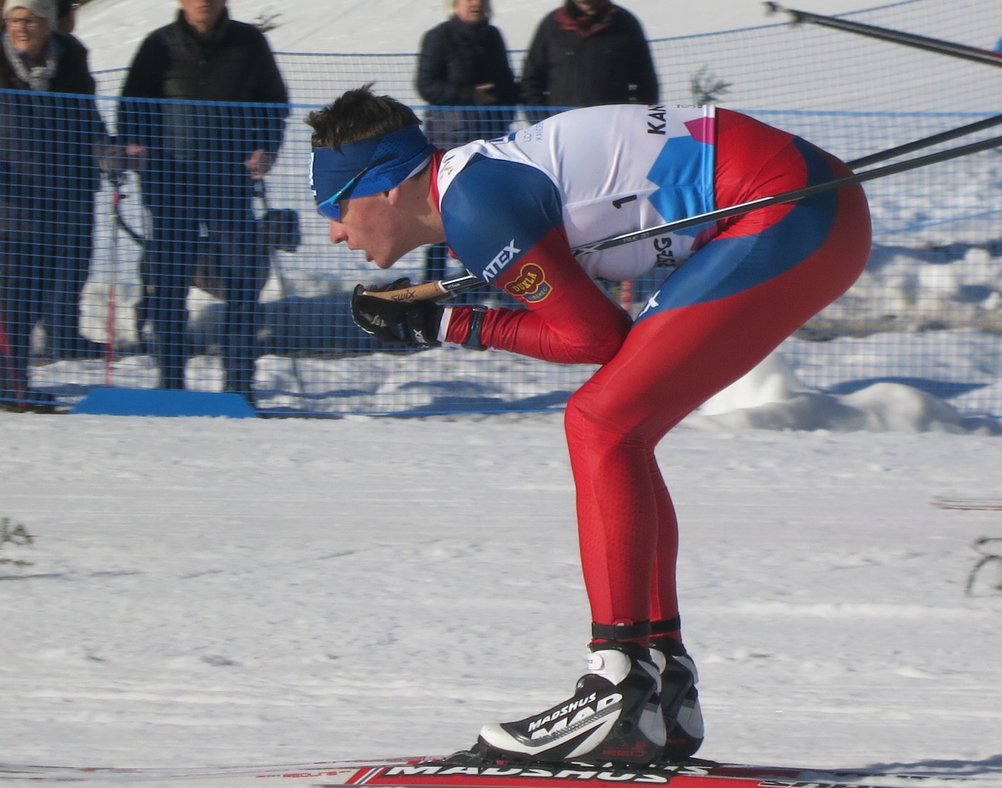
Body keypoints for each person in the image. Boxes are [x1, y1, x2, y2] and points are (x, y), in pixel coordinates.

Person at [307, 86, 872, 765]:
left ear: (387, 188)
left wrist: (452, 324)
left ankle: (619, 683)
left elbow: (592, 338)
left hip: (790, 210)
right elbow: (595, 330)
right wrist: (444, 322)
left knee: (600, 424)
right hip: (806, 206)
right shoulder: (475, 189)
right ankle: (658, 679)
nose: (334, 231)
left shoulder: (474, 203)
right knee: (617, 427)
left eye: (335, 208)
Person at [117, 0, 288, 400]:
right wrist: (134, 146)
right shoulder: (157, 45)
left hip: (231, 184)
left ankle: (238, 384)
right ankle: (171, 382)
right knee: (169, 284)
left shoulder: (250, 43)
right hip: (169, 185)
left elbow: (274, 103)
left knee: (242, 282)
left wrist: (266, 148)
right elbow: (131, 106)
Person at [0, 0, 108, 409]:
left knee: (31, 296)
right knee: (11, 297)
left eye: (30, 19)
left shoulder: (71, 61)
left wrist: (108, 150)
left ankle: (13, 381)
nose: (21, 27)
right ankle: (11, 386)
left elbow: (89, 121)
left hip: (58, 199)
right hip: (9, 203)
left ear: (48, 23)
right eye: (14, 20)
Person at [415, 0, 516, 283]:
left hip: (488, 144)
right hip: (448, 144)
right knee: (441, 216)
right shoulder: (439, 37)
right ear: (455, 5)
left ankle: (480, 279)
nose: (476, 4)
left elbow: (507, 83)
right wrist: (471, 96)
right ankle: (432, 284)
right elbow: (426, 85)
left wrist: (504, 114)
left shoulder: (492, 37)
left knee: (486, 214)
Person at [519, 0, 658, 119]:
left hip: (614, 130)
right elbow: (531, 81)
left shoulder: (625, 23)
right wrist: (541, 123)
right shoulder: (552, 25)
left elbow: (646, 82)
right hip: (561, 131)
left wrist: (636, 120)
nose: (589, 6)